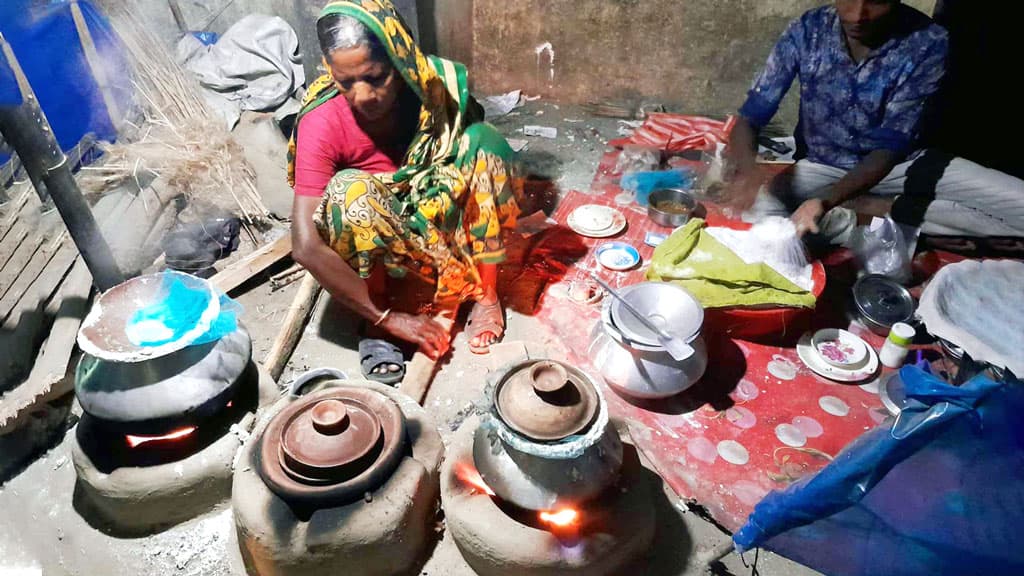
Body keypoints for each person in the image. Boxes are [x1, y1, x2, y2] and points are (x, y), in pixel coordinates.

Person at [289, 0, 521, 383]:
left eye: (376, 77)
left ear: (401, 61)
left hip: (441, 224)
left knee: (483, 143)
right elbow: (305, 244)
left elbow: (480, 165)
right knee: (351, 193)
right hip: (379, 241)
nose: (363, 95)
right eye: (346, 82)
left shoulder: (433, 89)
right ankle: (380, 320)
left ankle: (485, 295)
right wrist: (387, 318)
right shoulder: (323, 120)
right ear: (331, 72)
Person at [724, 0, 1024, 245]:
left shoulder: (927, 43)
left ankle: (869, 210)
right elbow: (752, 114)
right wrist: (747, 170)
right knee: (764, 213)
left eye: (877, 1)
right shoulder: (807, 30)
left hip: (904, 165)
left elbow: (890, 147)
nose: (857, 15)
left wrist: (826, 201)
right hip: (823, 165)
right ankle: (886, 215)